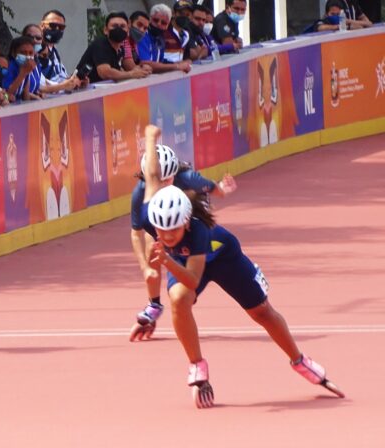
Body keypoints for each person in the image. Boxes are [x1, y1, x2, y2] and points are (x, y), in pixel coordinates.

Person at [136, 124, 343, 408]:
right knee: (178, 299)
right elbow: (151, 175)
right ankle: (197, 366)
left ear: (186, 221)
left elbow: (194, 280)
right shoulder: (151, 214)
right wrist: (149, 137)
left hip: (221, 256)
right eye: (162, 231)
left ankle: (299, 360)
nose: (166, 235)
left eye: (173, 231)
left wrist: (167, 260)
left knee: (261, 312)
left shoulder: (199, 232)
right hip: (183, 261)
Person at [128, 145, 237, 340]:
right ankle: (153, 305)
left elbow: (215, 189)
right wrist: (146, 268)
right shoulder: (141, 193)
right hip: (164, 225)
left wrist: (222, 188)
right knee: (150, 240)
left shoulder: (189, 179)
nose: (162, 186)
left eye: (168, 180)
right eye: (157, 181)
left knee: (186, 258)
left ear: (175, 175)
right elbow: (136, 233)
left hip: (193, 220)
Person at [75, 11, 151, 84]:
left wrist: (141, 69)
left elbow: (119, 71)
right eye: (114, 26)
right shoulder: (101, 44)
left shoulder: (120, 49)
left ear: (127, 31)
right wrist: (131, 74)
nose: (119, 29)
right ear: (105, 30)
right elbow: (105, 72)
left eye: (122, 26)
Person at [137, 4, 193, 74]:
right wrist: (177, 66)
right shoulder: (143, 36)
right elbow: (146, 64)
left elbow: (160, 61)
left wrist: (181, 63)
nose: (159, 24)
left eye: (163, 23)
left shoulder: (160, 38)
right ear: (150, 19)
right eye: (155, 20)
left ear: (167, 25)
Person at [39, 9, 70, 83]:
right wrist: (64, 86)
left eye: (61, 27)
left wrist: (76, 81)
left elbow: (62, 77)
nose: (57, 29)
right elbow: (38, 83)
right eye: (52, 25)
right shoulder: (34, 50)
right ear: (42, 25)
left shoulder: (54, 51)